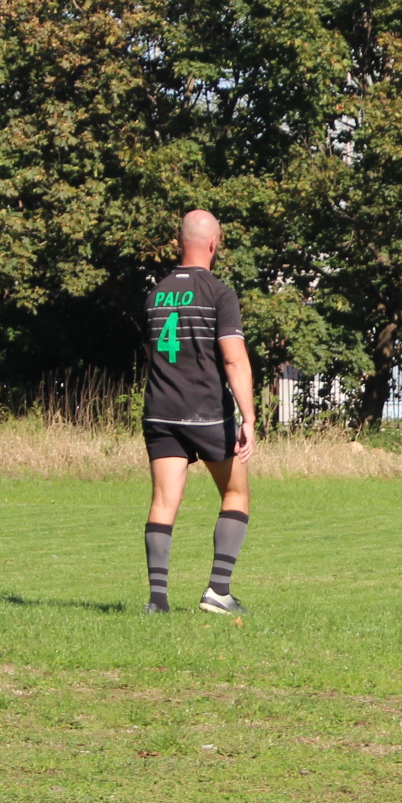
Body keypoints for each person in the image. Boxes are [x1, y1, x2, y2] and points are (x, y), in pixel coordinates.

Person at [141, 209, 256, 617]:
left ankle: (157, 601)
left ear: (179, 243)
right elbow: (234, 359)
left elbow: (157, 354)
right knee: (236, 493)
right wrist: (249, 417)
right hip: (206, 412)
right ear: (213, 243)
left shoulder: (155, 294)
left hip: (159, 412)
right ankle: (218, 592)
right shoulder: (219, 293)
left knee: (163, 501)